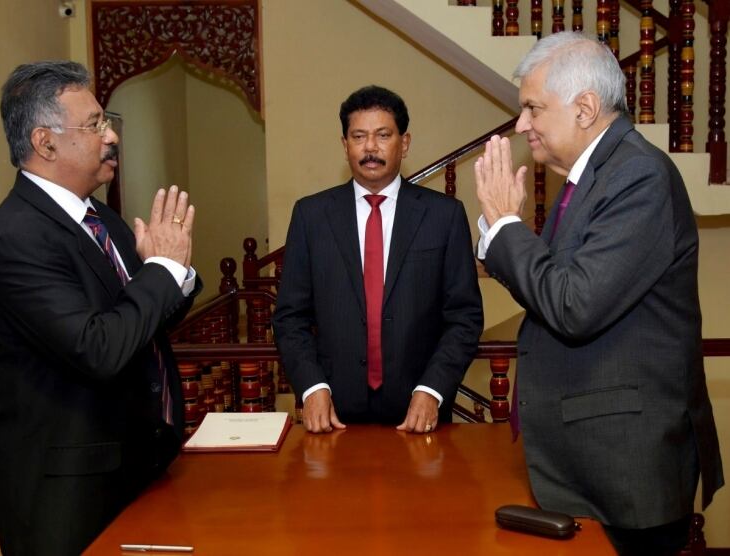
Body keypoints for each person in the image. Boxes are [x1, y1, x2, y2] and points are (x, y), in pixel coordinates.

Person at [473, 32, 724, 555]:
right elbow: (555, 289)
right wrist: (503, 234)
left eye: (532, 108)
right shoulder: (593, 178)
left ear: (585, 108)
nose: (522, 125)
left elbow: (573, 305)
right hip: (589, 462)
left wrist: (504, 228)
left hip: (624, 468)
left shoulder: (638, 176)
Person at [0, 61, 202, 555]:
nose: (111, 136)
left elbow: (139, 323)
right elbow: (99, 347)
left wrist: (174, 275)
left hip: (133, 460)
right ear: (45, 142)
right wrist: (161, 269)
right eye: (95, 124)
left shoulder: (99, 217)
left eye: (107, 121)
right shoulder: (17, 239)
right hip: (66, 485)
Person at [273, 85, 483, 434]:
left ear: (405, 142)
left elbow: (465, 316)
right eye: (359, 136)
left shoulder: (443, 216)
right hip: (334, 414)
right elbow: (290, 317)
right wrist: (312, 387)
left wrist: (432, 389)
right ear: (345, 146)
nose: (370, 147)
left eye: (383, 135)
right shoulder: (311, 216)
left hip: (419, 413)